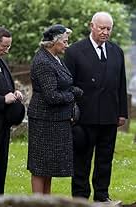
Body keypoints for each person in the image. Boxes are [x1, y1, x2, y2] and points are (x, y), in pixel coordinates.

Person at [64, 12, 128, 201]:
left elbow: (121, 84)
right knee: (82, 160)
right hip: (84, 118)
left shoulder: (117, 51)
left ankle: (102, 196)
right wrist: (70, 113)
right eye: (102, 28)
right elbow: (68, 84)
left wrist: (122, 112)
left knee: (105, 159)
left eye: (109, 29)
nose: (105, 32)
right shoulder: (74, 51)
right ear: (91, 26)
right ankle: (80, 198)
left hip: (110, 116)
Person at [27, 24, 83, 194]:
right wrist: (73, 95)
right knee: (40, 167)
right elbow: (52, 96)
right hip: (44, 121)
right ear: (54, 42)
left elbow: (64, 84)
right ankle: (38, 204)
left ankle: (47, 201)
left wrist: (72, 90)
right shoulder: (43, 62)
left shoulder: (55, 58)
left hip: (56, 121)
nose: (67, 45)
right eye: (65, 41)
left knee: (48, 167)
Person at [0, 27, 24, 194]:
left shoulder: (1, 62)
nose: (7, 50)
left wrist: (15, 93)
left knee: (0, 166)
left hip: (3, 125)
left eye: (9, 47)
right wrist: (2, 100)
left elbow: (4, 87)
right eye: (4, 46)